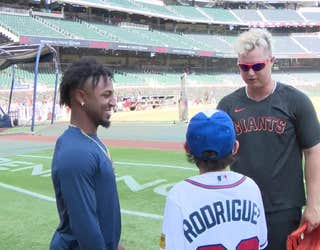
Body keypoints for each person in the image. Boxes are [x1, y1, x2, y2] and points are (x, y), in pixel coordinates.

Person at [217, 28, 320, 250]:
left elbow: (313, 152)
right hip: (241, 207)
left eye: (257, 66)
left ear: (271, 61)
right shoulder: (226, 106)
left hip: (283, 209)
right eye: (244, 68)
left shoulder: (296, 102)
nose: (251, 73)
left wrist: (314, 205)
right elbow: (217, 159)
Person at [160, 109, 268, 250]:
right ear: (235, 147)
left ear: (187, 148)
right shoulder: (250, 187)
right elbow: (262, 244)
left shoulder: (179, 194)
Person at [50, 57, 124, 250]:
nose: (113, 102)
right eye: (106, 95)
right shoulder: (77, 153)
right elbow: (86, 230)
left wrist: (113, 243)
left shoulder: (87, 140)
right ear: (81, 97)